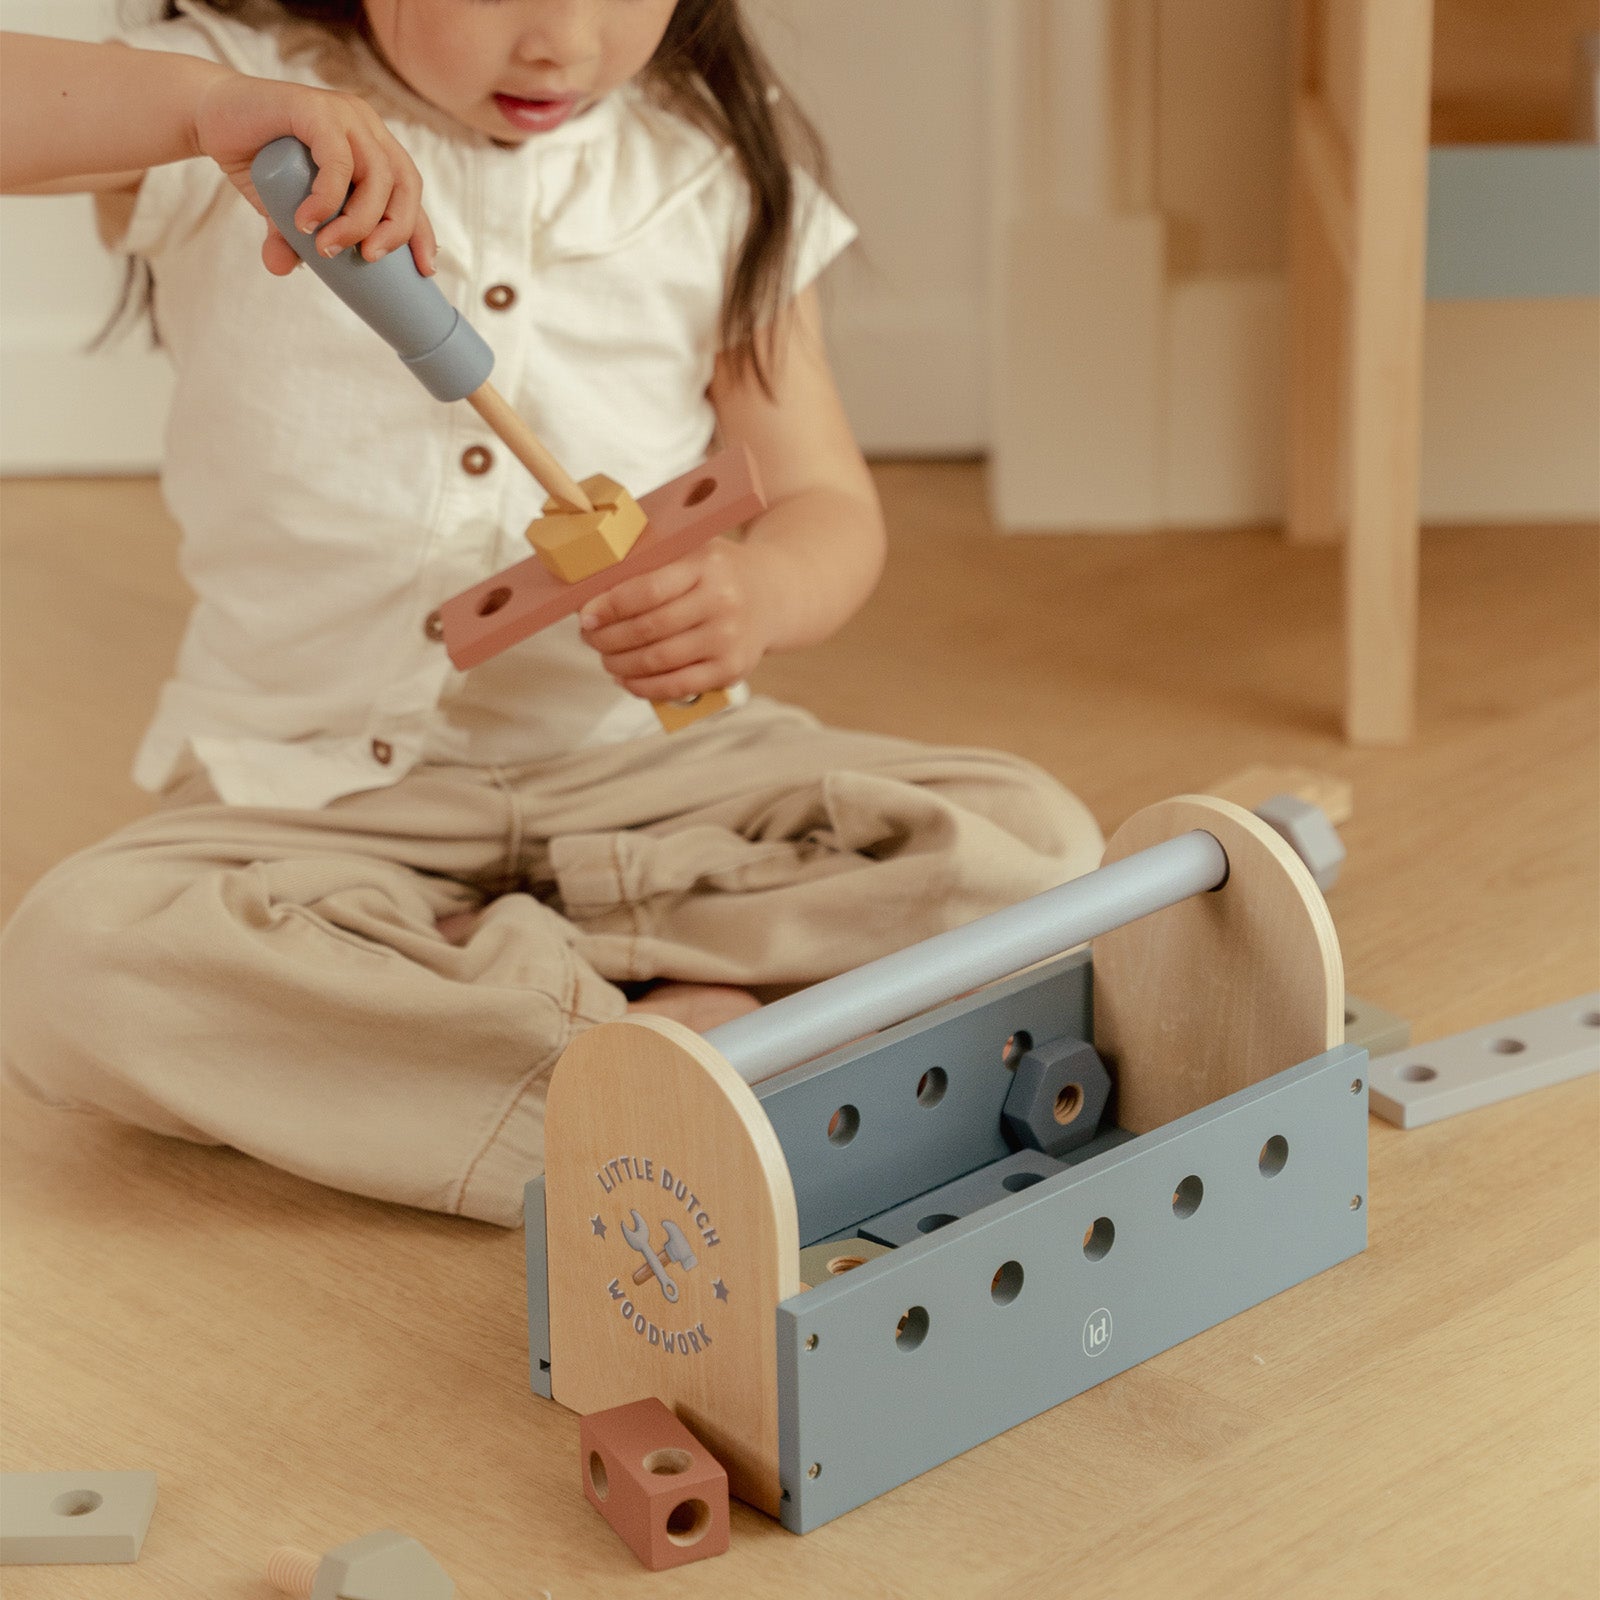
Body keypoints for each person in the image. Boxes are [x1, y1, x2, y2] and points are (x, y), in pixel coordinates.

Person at [0, 0, 1103, 1226]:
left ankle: (519, 1004)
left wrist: (754, 593)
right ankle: (662, 1067)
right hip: (313, 799)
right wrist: (197, 112)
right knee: (74, 962)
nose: (562, 44)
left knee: (1032, 840)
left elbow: (825, 504)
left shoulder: (712, 170)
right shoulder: (241, 112)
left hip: (641, 780)